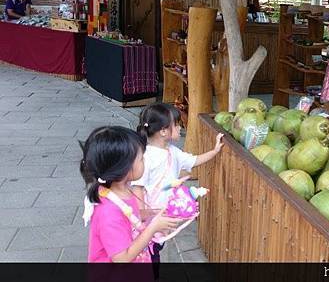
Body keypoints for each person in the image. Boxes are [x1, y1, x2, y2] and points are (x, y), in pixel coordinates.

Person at [131, 103, 224, 267]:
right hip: (150, 221)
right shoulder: (145, 157)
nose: (180, 127)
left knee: (157, 250)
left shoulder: (173, 151)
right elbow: (138, 189)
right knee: (150, 254)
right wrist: (143, 216)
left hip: (163, 217)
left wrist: (215, 151)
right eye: (176, 124)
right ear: (163, 131)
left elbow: (194, 161)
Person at [80, 126, 182, 263]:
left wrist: (152, 213)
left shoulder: (123, 191)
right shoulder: (108, 212)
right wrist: (153, 228)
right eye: (141, 159)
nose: (145, 162)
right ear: (124, 168)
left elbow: (129, 216)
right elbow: (121, 258)